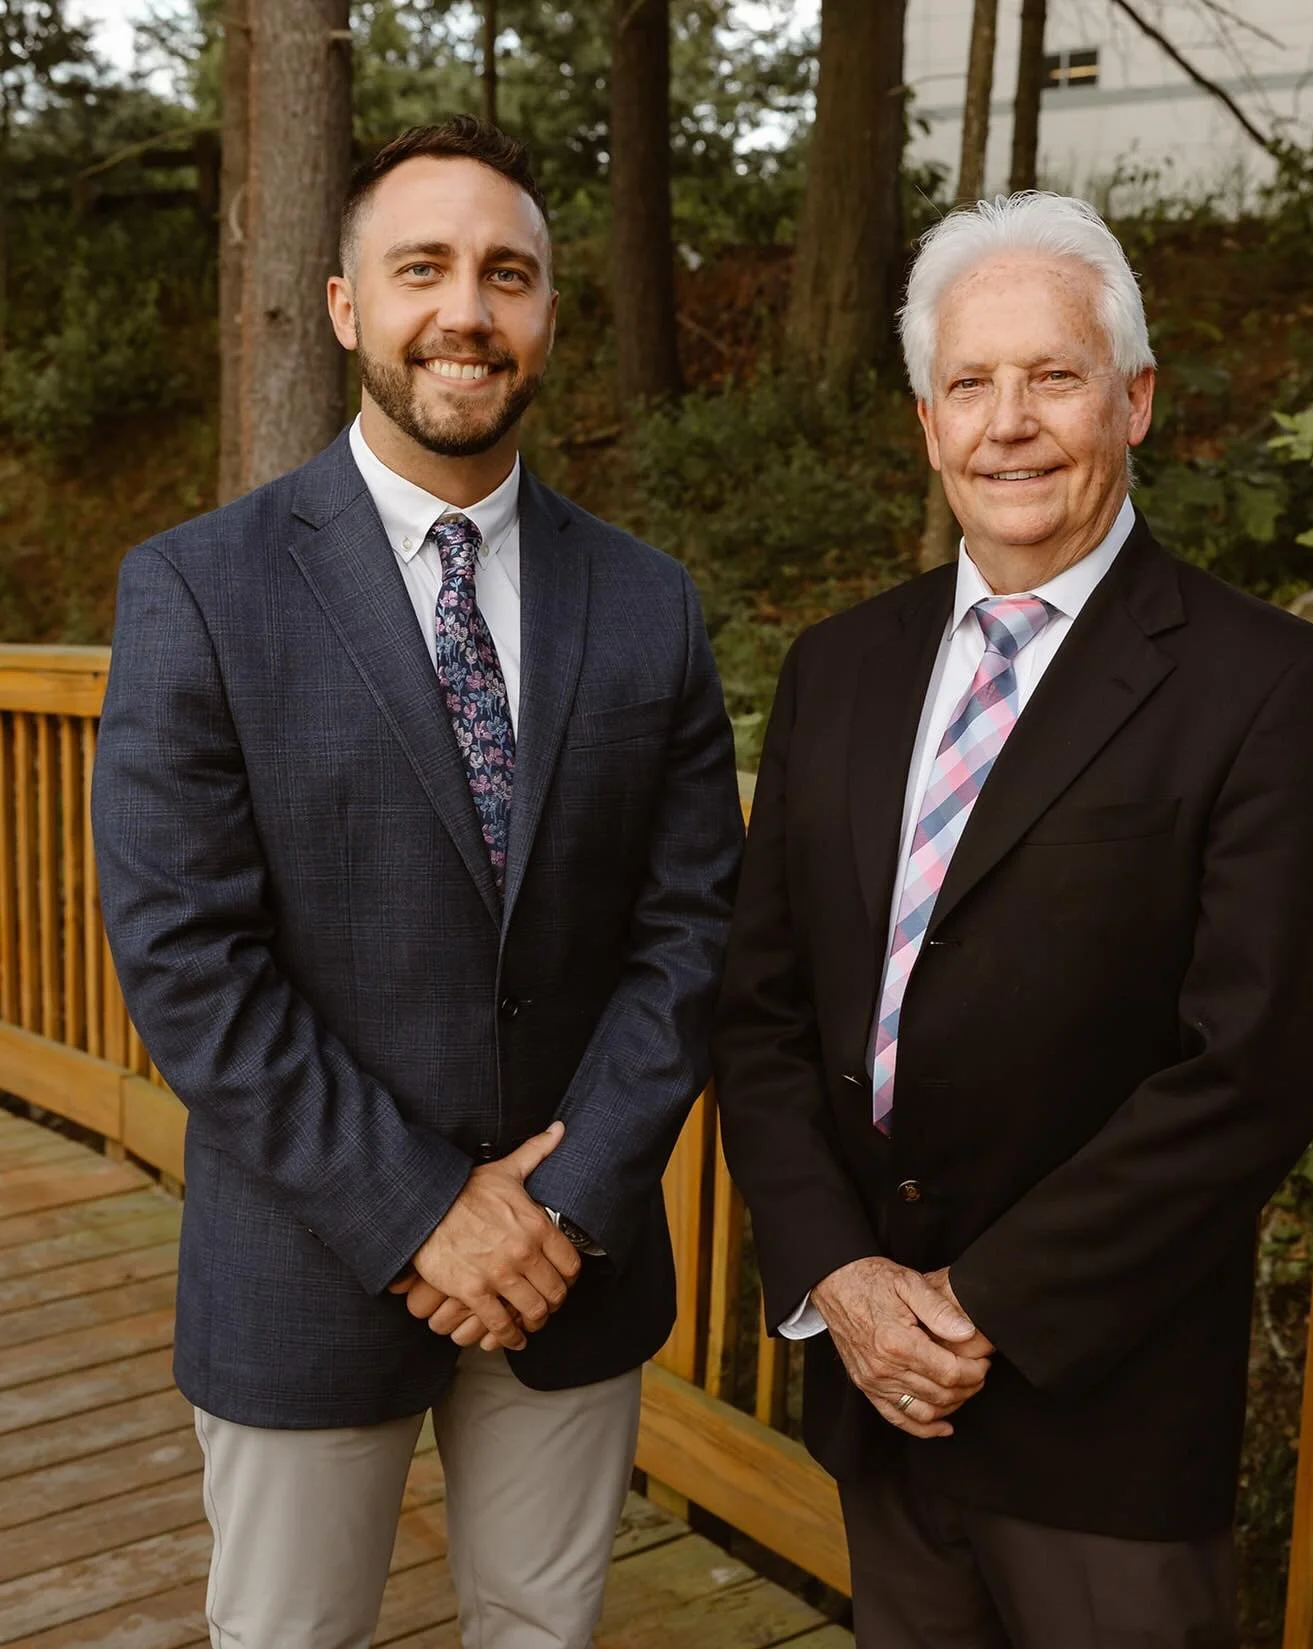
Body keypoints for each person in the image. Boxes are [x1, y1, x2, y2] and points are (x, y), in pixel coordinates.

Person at [93, 115, 743, 1649]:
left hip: (574, 1269)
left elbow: (691, 929)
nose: (467, 309)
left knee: (541, 1630)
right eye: (423, 268)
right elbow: (187, 959)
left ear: (548, 312)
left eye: (507, 274)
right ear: (344, 306)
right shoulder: (200, 588)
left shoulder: (648, 603)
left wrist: (559, 1208)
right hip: (305, 1261)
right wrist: (424, 1210)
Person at [712, 192, 1313, 1649]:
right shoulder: (839, 669)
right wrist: (842, 1278)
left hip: (1103, 1419)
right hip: (878, 1395)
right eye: (970, 384)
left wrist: (977, 1308)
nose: (1009, 423)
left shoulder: (1272, 688)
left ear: (1134, 401)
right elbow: (759, 1012)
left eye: (1054, 376)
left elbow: (1249, 1070)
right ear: (927, 424)